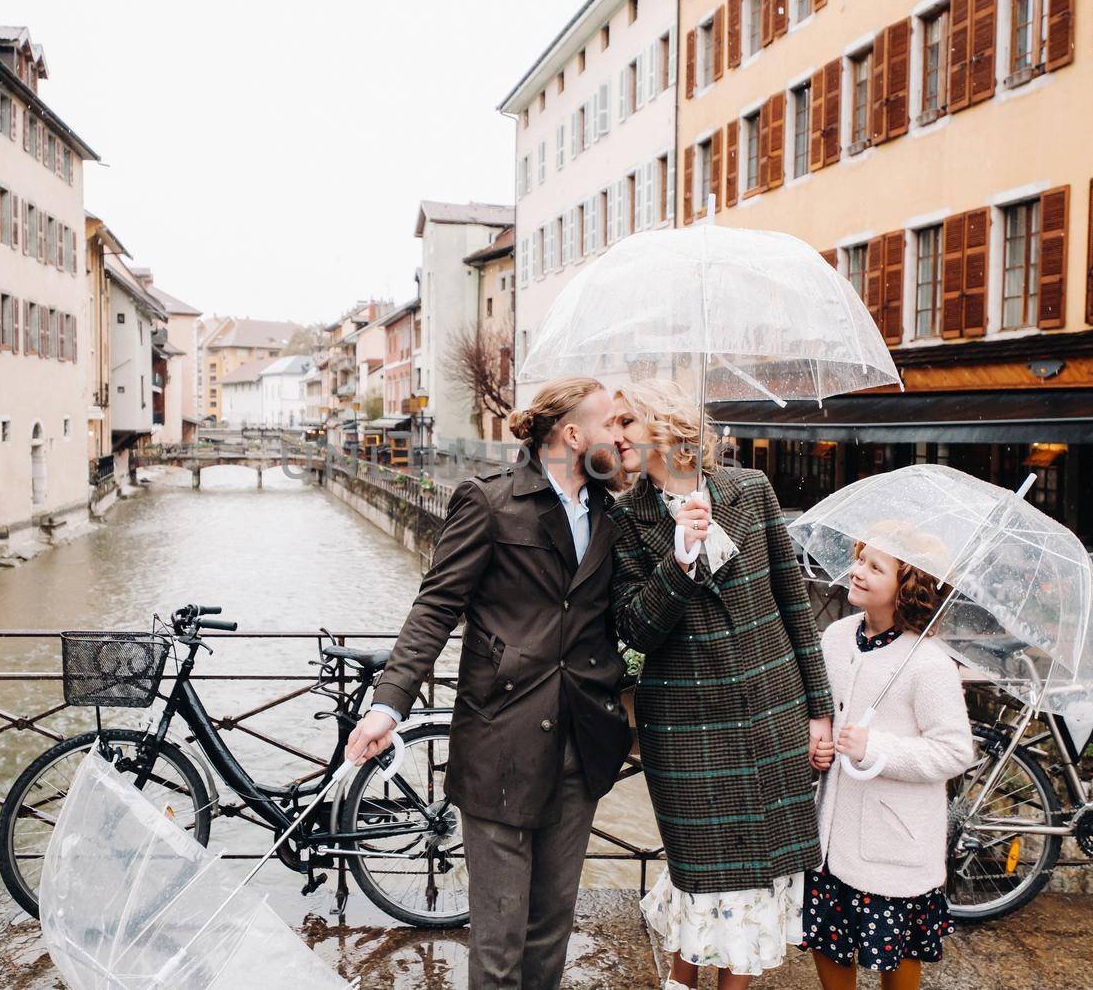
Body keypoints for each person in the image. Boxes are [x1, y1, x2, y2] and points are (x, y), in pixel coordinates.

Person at [342, 376, 633, 990]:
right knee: (498, 943)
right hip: (502, 743)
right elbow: (435, 607)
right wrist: (389, 705)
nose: (622, 436)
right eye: (613, 423)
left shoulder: (613, 512)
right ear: (574, 435)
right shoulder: (491, 501)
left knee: (551, 931)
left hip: (580, 744)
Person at [606, 379, 834, 990]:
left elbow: (795, 604)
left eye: (626, 420)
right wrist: (679, 560)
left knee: (755, 883)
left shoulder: (750, 490)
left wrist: (820, 711)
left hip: (769, 716)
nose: (615, 433)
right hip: (687, 732)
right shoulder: (625, 518)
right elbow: (635, 629)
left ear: (665, 426)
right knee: (701, 880)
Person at [805, 536, 975, 990]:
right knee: (827, 941)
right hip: (830, 837)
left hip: (894, 844)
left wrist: (875, 748)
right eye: (860, 560)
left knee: (892, 954)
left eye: (875, 567)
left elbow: (955, 750)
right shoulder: (836, 637)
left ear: (907, 587)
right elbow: (821, 713)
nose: (857, 571)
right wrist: (819, 742)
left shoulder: (929, 664)